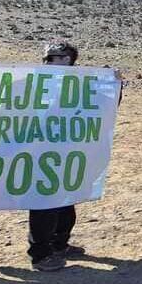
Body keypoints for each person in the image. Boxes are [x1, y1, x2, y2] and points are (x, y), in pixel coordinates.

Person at [27, 43, 89, 271]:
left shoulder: (77, 83)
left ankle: (60, 244)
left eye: (68, 59)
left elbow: (100, 109)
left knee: (65, 203)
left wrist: (115, 84)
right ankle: (40, 254)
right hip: (40, 153)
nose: (65, 62)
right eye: (58, 57)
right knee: (43, 205)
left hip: (67, 152)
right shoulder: (33, 84)